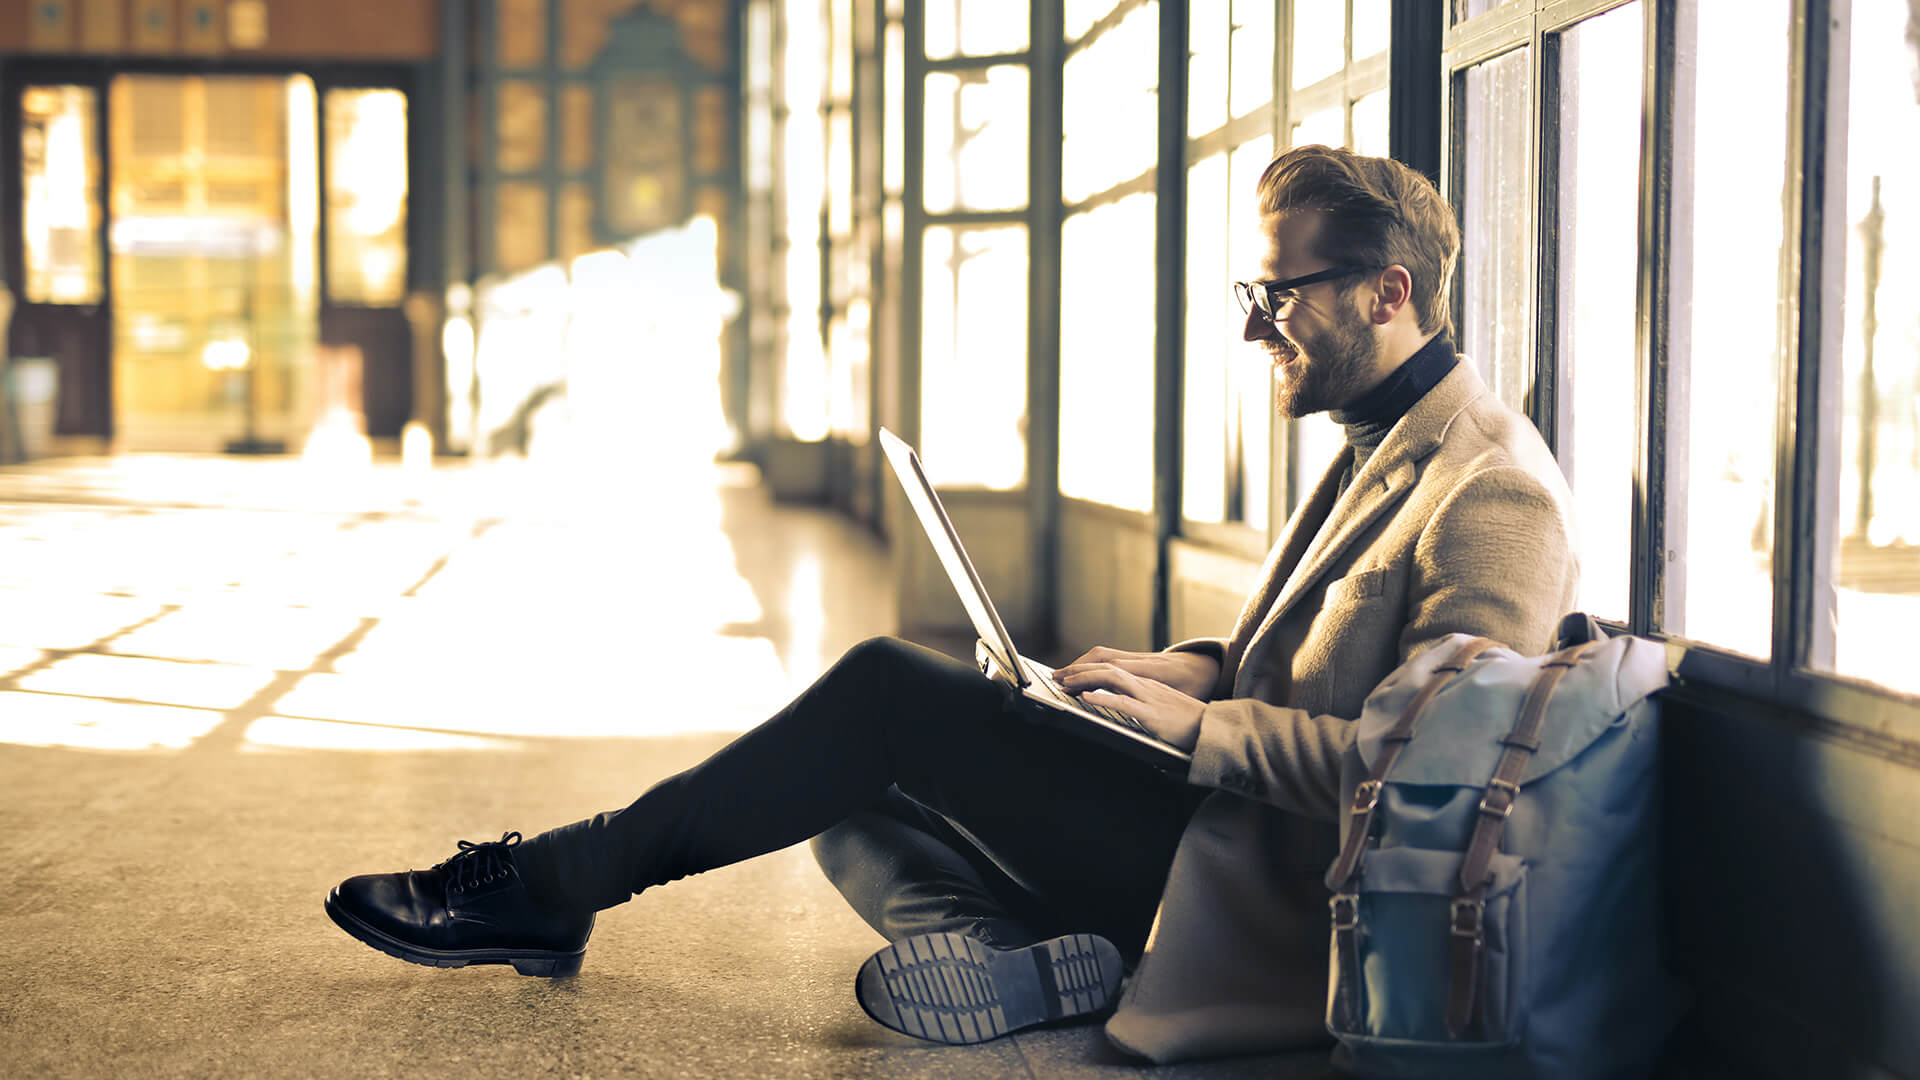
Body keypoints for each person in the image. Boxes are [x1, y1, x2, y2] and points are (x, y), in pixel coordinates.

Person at [324, 144, 1577, 1064]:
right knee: (832, 799)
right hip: (1203, 822)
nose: (1258, 329)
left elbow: (1433, 785)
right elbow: (1313, 660)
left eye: (1278, 296)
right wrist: (1188, 670)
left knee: (881, 690)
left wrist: (1194, 732)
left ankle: (552, 885)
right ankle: (1010, 961)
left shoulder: (1490, 491)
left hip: (1257, 888)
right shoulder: (1386, 434)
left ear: (1389, 290)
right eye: (1252, 299)